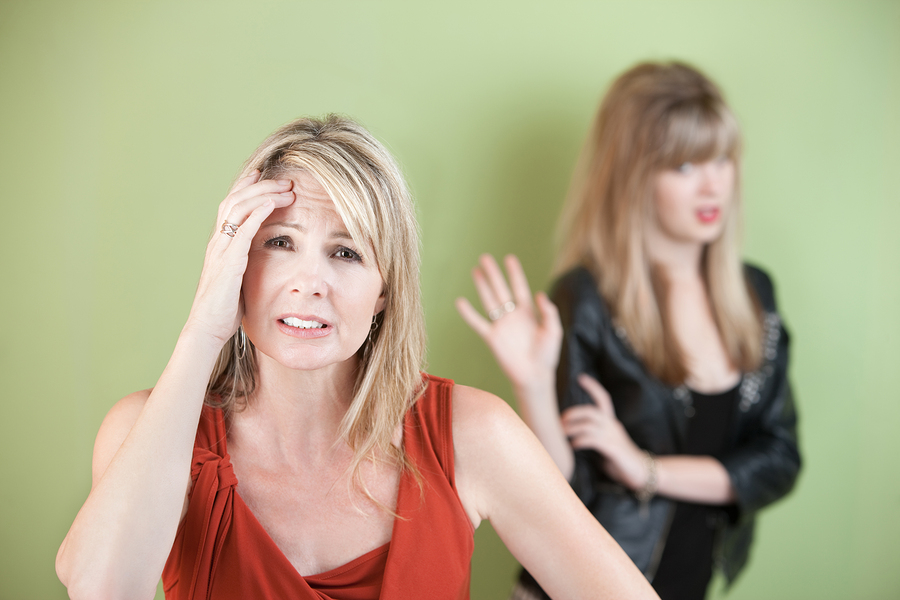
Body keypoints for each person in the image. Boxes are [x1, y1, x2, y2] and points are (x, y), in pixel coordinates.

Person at [55, 115, 658, 600]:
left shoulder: (473, 434)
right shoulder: (146, 432)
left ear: (384, 290)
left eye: (344, 253)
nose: (308, 282)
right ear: (234, 264)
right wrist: (201, 330)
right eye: (279, 243)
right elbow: (101, 587)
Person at [457, 62, 801, 600]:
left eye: (720, 159)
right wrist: (534, 381)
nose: (712, 184)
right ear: (635, 174)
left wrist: (648, 470)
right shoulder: (587, 298)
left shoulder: (756, 294)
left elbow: (778, 459)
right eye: (684, 165)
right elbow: (560, 491)